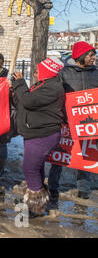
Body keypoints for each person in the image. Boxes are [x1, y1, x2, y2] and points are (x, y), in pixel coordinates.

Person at [12, 57, 65, 218]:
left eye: (38, 71)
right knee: (37, 168)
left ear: (46, 72)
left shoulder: (53, 88)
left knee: (30, 168)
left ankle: (35, 207)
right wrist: (14, 90)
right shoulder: (43, 85)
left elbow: (29, 100)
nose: (35, 74)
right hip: (34, 131)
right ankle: (35, 201)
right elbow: (22, 102)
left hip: (43, 134)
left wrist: (20, 83)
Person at [48, 41, 97, 205]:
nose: (93, 58)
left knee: (86, 156)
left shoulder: (96, 72)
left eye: (94, 55)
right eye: (90, 55)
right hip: (66, 122)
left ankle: (83, 190)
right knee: (60, 156)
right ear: (80, 56)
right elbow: (55, 94)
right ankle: (53, 188)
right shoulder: (64, 73)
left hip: (88, 122)